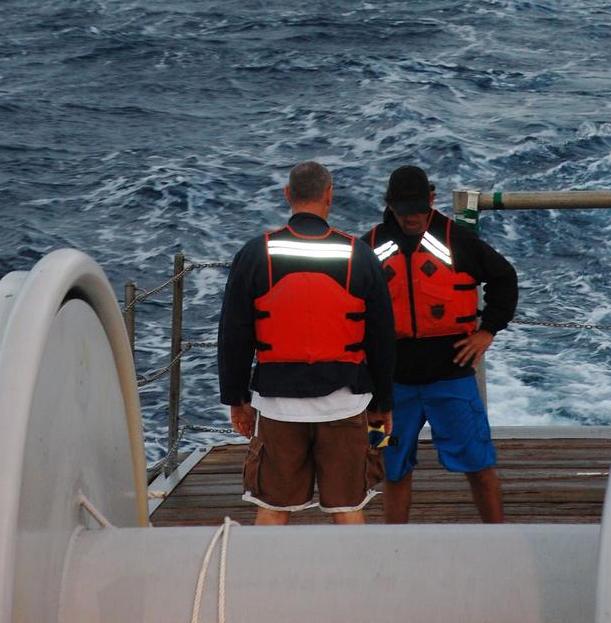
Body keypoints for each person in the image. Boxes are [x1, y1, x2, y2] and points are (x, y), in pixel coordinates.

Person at [217, 160, 395, 525]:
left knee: (272, 509)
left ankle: (262, 582)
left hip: (280, 408)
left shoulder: (256, 254)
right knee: (349, 510)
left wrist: (237, 400)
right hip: (345, 406)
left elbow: (234, 334)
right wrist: (382, 405)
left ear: (288, 195)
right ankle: (357, 582)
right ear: (329, 196)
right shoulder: (359, 255)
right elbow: (381, 339)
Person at [363, 164, 518, 523]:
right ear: (389, 205)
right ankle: (394, 549)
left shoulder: (456, 239)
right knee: (391, 467)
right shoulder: (368, 247)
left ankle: (498, 541)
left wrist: (488, 330)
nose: (412, 218)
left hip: (452, 379)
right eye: (403, 211)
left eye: (419, 208)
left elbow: (504, 278)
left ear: (432, 199)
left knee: (479, 464)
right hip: (386, 391)